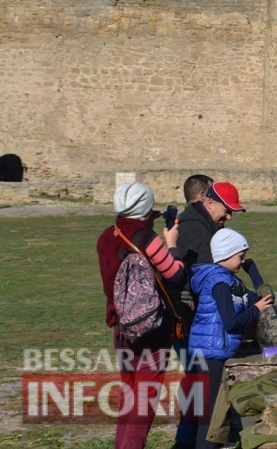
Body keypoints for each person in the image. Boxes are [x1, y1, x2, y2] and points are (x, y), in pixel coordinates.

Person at [97, 181, 186, 449]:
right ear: (147, 210)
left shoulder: (105, 236)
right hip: (151, 328)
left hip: (121, 326)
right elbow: (176, 274)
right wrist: (171, 243)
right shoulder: (147, 238)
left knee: (130, 394)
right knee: (145, 396)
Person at [189, 229, 274, 449]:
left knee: (209, 414)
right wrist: (255, 310)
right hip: (211, 356)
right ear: (227, 254)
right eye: (240, 257)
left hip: (211, 351)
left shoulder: (228, 280)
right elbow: (231, 322)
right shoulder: (220, 284)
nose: (242, 260)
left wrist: (252, 271)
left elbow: (265, 299)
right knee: (210, 418)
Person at [172, 174, 214, 449]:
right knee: (198, 382)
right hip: (189, 317)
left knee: (195, 379)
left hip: (183, 318)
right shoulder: (196, 229)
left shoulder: (183, 225)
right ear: (202, 196)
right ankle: (188, 441)